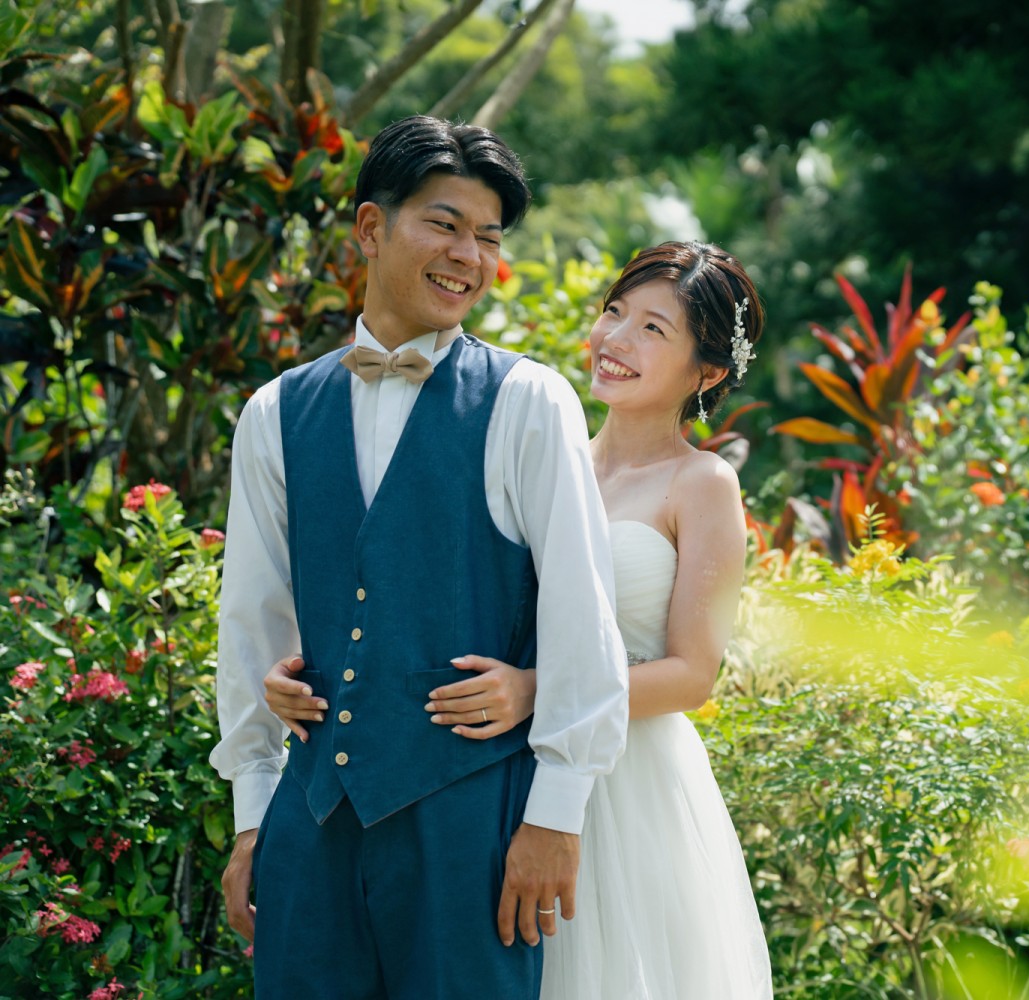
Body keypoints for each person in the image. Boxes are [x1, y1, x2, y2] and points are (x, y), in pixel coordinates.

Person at [265, 241, 774, 998]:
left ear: (706, 373)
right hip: (493, 773)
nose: (616, 340)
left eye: (653, 330)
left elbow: (695, 674)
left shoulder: (702, 485)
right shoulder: (533, 438)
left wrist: (543, 689)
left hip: (624, 788)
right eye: (614, 313)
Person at [209, 115, 630, 998]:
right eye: (444, 224)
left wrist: (556, 817)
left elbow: (581, 619)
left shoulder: (530, 401)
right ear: (370, 228)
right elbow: (252, 626)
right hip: (313, 819)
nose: (468, 256)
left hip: (473, 822)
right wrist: (255, 817)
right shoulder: (274, 413)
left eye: (487, 237)